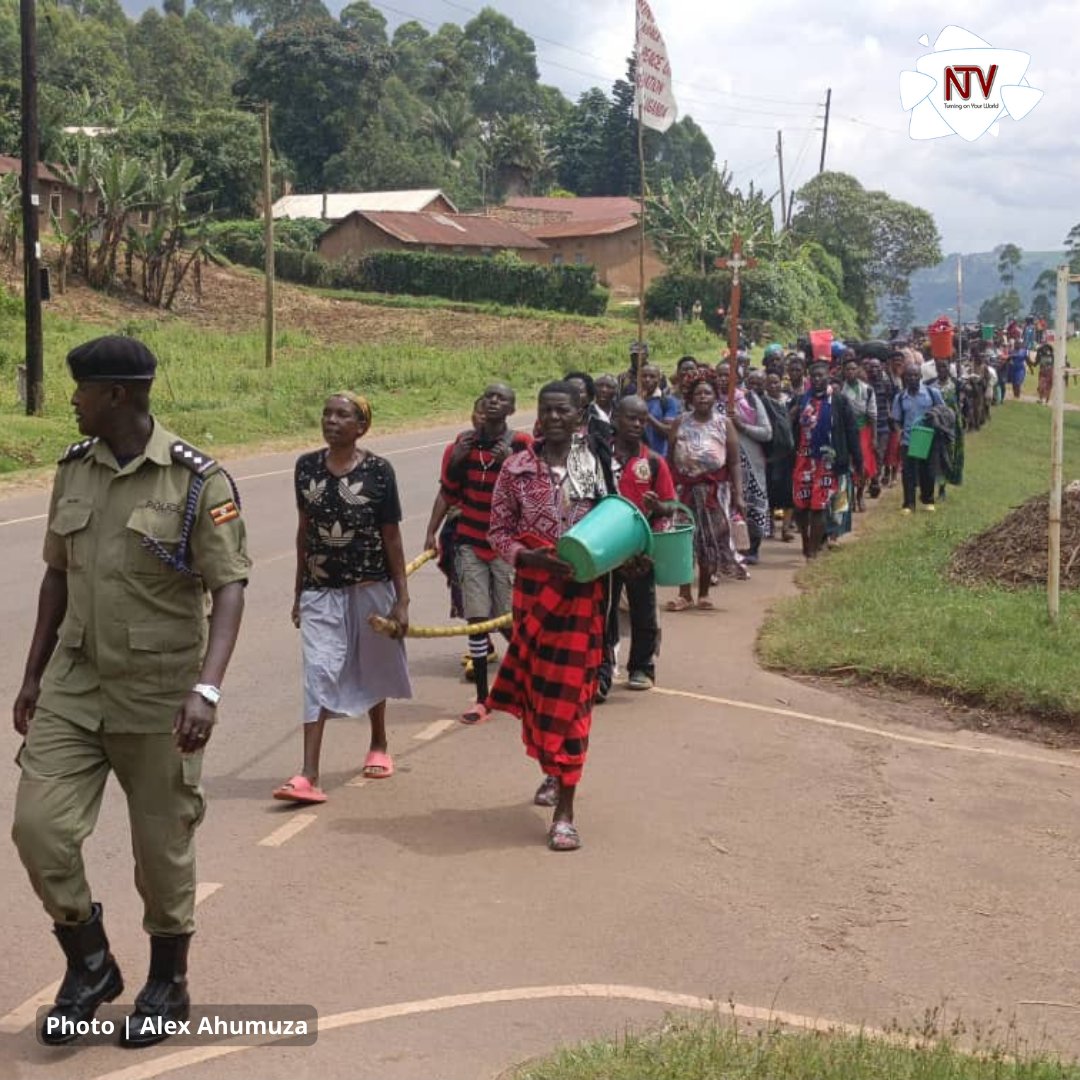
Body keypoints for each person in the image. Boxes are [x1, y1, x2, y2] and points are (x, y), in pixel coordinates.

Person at [12, 336, 249, 1048]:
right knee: (39, 829)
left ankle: (168, 981)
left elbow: (229, 587)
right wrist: (31, 674)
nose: (73, 403)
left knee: (162, 849)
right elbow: (56, 574)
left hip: (159, 691)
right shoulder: (74, 471)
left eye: (82, 391)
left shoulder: (197, 482)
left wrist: (206, 689)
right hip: (75, 683)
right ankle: (90, 964)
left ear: (117, 394)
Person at [485, 381, 610, 852]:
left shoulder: (594, 465)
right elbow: (498, 531)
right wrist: (529, 559)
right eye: (546, 410)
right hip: (535, 593)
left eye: (564, 411)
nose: (554, 417)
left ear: (580, 415)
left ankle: (565, 813)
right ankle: (552, 770)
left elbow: (614, 521)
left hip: (581, 595)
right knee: (540, 696)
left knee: (573, 701)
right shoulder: (515, 468)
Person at [275, 391, 411, 804]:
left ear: (361, 427)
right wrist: (299, 590)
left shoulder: (379, 472)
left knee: (375, 662)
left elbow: (391, 536)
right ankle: (307, 774)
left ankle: (379, 742)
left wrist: (401, 599)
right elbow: (304, 531)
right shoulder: (305, 468)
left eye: (343, 415)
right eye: (327, 413)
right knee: (319, 671)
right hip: (321, 589)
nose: (331, 420)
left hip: (371, 586)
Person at [438, 383, 531, 723]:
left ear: (512, 408)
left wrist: (512, 464)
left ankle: (528, 676)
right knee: (477, 620)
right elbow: (449, 491)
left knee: (508, 617)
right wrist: (430, 533)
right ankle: (481, 699)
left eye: (501, 398)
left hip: (507, 545)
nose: (493, 401)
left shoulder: (522, 445)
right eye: (489, 397)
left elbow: (535, 492)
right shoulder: (462, 444)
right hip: (469, 540)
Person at [602, 396, 678, 691]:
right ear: (614, 418)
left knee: (643, 609)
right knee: (604, 611)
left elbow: (672, 504)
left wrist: (659, 507)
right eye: (630, 418)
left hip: (639, 551)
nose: (636, 424)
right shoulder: (599, 457)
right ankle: (602, 669)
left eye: (642, 419)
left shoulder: (654, 462)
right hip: (604, 549)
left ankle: (642, 667)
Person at [668, 378, 744, 609]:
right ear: (690, 398)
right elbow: (670, 458)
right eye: (698, 393)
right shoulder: (680, 422)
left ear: (714, 397)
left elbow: (734, 463)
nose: (702, 397)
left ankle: (703, 593)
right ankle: (683, 593)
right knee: (684, 540)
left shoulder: (724, 424)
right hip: (684, 491)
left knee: (709, 540)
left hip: (713, 491)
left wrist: (739, 494)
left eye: (707, 393)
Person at [790, 359, 862, 559]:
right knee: (800, 505)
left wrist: (857, 460)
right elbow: (790, 428)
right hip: (803, 460)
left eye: (821, 375)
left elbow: (851, 431)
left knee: (819, 506)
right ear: (809, 379)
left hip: (827, 461)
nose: (817, 379)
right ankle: (805, 540)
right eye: (813, 376)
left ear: (828, 377)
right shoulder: (801, 400)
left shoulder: (839, 401)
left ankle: (813, 550)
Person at [718, 362, 772, 563]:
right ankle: (729, 550)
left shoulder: (748, 399)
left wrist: (741, 426)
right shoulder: (711, 401)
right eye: (719, 375)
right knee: (727, 506)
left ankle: (753, 549)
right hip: (723, 463)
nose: (723, 379)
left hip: (750, 463)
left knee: (753, 506)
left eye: (727, 375)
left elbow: (767, 432)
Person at [891, 363, 944, 513]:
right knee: (908, 472)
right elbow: (896, 419)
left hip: (928, 437)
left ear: (920, 376)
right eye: (909, 376)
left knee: (928, 470)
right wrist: (899, 432)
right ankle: (908, 504)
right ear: (905, 378)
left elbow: (943, 411)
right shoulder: (900, 397)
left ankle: (928, 499)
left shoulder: (932, 393)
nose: (912, 378)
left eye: (915, 375)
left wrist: (935, 416)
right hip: (908, 439)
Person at [840, 356, 878, 512]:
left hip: (863, 430)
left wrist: (874, 437)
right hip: (845, 431)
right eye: (847, 369)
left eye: (853, 369)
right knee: (846, 465)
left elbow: (873, 415)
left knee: (863, 465)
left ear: (858, 370)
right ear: (843, 371)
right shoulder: (840, 390)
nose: (850, 372)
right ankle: (848, 497)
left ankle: (860, 495)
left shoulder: (867, 389)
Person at [763, 371, 795, 542]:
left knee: (788, 491)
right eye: (770, 383)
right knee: (770, 489)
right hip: (770, 453)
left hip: (788, 454)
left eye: (776, 382)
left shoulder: (790, 401)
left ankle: (786, 528)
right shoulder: (763, 403)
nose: (773, 386)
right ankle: (770, 526)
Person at [638, 362, 681, 457]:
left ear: (659, 379)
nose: (647, 379)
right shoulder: (632, 400)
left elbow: (668, 432)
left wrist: (646, 415)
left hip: (660, 456)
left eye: (652, 376)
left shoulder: (668, 401)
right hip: (637, 456)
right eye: (644, 376)